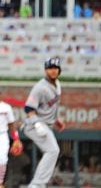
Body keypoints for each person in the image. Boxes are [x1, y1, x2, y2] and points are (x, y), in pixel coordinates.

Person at [23, 57, 66, 188]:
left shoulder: (57, 84)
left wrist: (56, 119)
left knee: (51, 151)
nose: (53, 71)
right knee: (53, 150)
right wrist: (37, 124)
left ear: (59, 70)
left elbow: (52, 106)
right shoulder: (40, 87)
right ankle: (37, 184)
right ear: (45, 70)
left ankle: (38, 184)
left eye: (55, 68)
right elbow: (28, 108)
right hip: (33, 125)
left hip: (46, 124)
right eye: (50, 68)